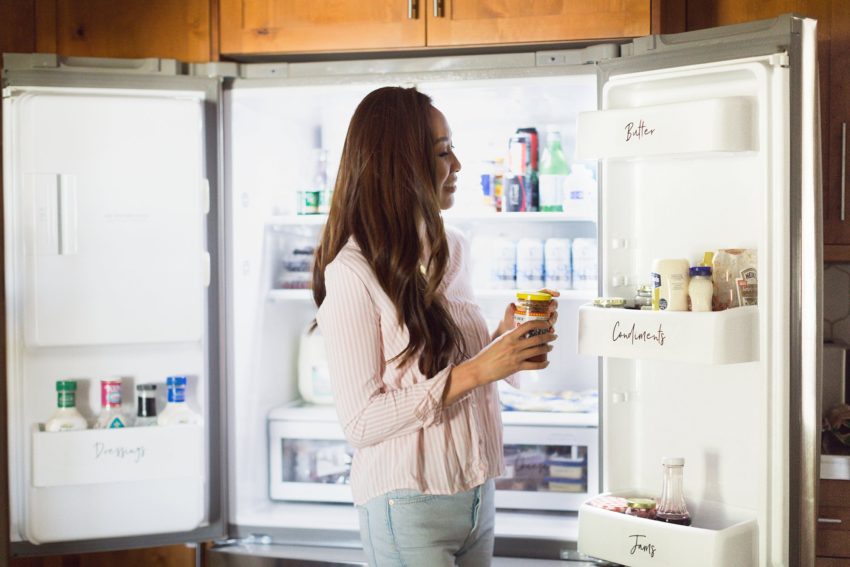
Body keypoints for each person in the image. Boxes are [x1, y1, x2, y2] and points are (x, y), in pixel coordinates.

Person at [313, 86, 559, 567]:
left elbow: (447, 362)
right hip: (407, 504)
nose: (458, 165)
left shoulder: (454, 246)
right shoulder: (352, 271)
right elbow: (360, 422)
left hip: (476, 493)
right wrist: (480, 370)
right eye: (444, 152)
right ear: (401, 165)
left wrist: (505, 342)